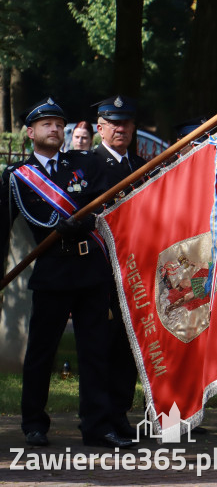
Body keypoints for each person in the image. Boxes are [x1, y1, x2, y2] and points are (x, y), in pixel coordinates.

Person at [0, 98, 134, 449]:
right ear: (30, 133)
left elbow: (106, 203)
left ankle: (97, 426)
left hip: (91, 270)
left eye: (59, 123)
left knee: (96, 351)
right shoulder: (17, 178)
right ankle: (34, 423)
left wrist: (84, 221)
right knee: (41, 352)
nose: (55, 129)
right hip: (53, 272)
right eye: (46, 124)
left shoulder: (84, 164)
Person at [92, 95, 147, 438]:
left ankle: (121, 413)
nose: (121, 129)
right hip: (101, 270)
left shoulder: (140, 166)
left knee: (129, 346)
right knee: (101, 347)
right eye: (113, 123)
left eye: (126, 123)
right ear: (100, 127)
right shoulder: (87, 164)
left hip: (135, 272)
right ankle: (99, 417)